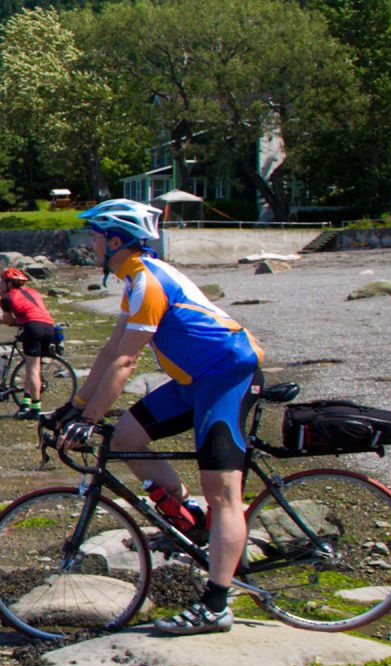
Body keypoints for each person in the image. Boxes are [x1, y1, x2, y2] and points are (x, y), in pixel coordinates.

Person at [51, 198, 262, 636]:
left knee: (221, 491)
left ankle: (217, 604)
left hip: (227, 376)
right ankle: (185, 517)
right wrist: (71, 408)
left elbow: (126, 364)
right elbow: (110, 351)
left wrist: (88, 420)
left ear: (114, 240)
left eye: (94, 237)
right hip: (192, 380)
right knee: (125, 436)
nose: (89, 245)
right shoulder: (134, 282)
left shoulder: (148, 282)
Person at [0, 267, 59, 418]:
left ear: (9, 283)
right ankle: (26, 403)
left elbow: (8, 320)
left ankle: (35, 409)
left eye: (1, 281)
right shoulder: (33, 292)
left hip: (33, 328)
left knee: (32, 369)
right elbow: (31, 311)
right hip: (49, 327)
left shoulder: (7, 298)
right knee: (32, 366)